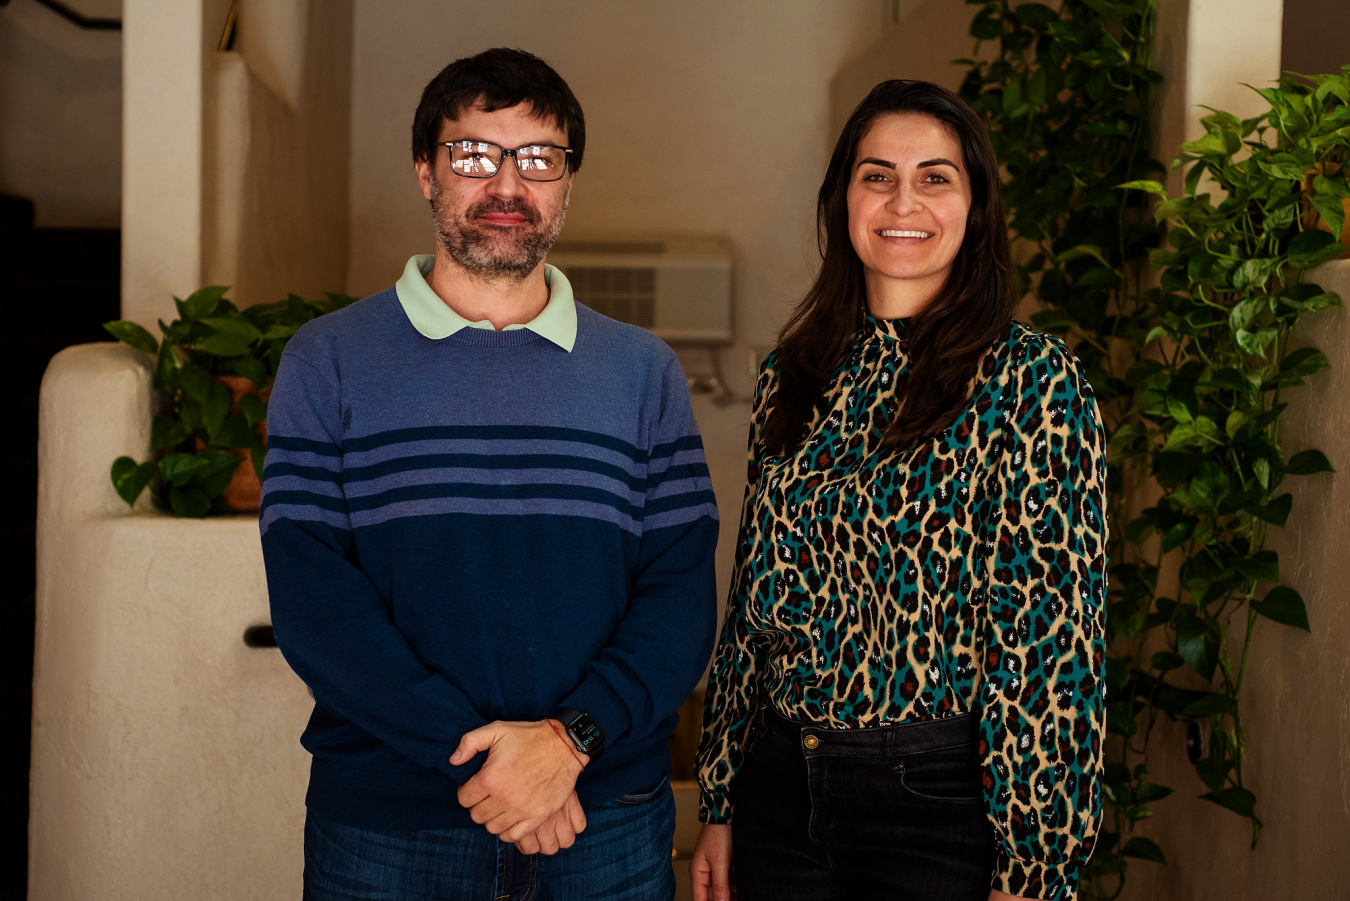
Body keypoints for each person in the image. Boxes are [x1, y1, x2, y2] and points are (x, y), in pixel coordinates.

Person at [260, 47, 719, 901]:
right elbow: (316, 603)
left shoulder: (642, 371)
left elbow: (680, 596)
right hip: (390, 828)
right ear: (426, 175)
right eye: (474, 154)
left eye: (538, 157)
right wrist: (499, 764)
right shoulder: (327, 360)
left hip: (604, 815)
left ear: (567, 181)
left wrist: (569, 742)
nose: (508, 184)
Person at [690, 79, 1107, 901]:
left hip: (938, 804)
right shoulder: (793, 376)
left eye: (935, 177)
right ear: (844, 197)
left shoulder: (1032, 382)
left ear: (975, 203)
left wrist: (1034, 867)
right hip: (780, 785)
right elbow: (752, 602)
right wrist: (721, 793)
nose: (902, 200)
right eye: (876, 175)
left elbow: (1050, 644)